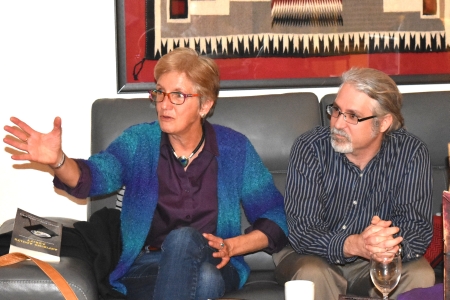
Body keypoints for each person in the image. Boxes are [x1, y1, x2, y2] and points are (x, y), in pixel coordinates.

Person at [3, 47, 288, 300]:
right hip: (146, 265)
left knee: (190, 247)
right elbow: (95, 176)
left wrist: (233, 245)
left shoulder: (234, 149)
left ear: (205, 105)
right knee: (203, 279)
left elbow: (276, 214)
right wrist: (58, 161)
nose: (164, 104)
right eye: (160, 92)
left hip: (215, 261)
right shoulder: (139, 142)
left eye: (178, 95)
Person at [274, 67, 435, 299]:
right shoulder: (310, 148)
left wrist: (388, 247)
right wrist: (353, 245)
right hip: (310, 257)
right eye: (336, 111)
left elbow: (416, 226)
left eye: (352, 116)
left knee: (419, 274)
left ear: (383, 123)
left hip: (375, 262)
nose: (338, 124)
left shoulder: (411, 153)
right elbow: (303, 231)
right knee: (313, 273)